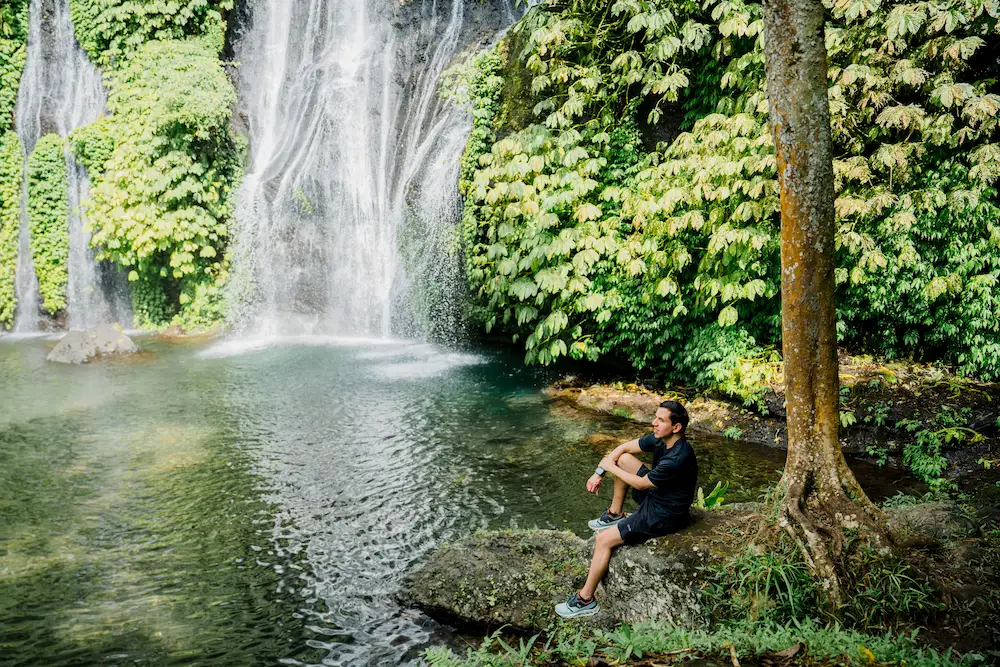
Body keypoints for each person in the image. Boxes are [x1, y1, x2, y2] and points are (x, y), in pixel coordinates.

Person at [554, 400, 698, 618]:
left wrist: (609, 467)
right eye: (655, 417)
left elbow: (641, 484)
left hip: (663, 514)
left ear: (676, 427)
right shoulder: (661, 440)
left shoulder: (678, 457)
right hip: (657, 495)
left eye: (660, 420)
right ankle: (615, 514)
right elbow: (622, 448)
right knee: (623, 459)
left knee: (603, 540)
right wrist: (600, 472)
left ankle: (585, 600)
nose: (653, 423)